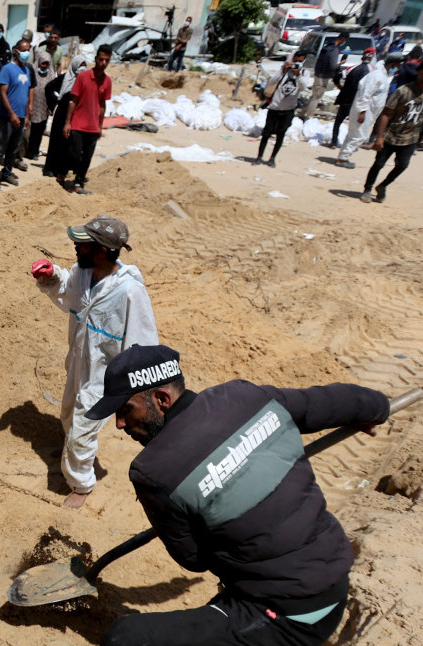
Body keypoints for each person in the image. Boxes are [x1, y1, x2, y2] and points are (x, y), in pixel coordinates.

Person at [93, 345, 391, 646]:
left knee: (124, 638)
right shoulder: (244, 396)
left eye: (125, 409)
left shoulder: (152, 471)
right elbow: (332, 402)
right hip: (335, 585)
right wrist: (377, 409)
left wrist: (187, 515)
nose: (119, 423)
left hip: (282, 617)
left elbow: (195, 559)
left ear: (161, 399)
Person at [30, 216, 158, 508]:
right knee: (67, 414)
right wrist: (51, 276)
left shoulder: (129, 292)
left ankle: (81, 484)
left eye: (83, 244)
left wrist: (133, 391)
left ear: (101, 251)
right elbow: (67, 291)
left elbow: (143, 344)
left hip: (105, 377)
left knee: (82, 427)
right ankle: (73, 454)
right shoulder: (83, 272)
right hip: (78, 364)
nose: (76, 246)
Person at [360, 67, 423, 203]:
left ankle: (383, 186)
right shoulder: (403, 91)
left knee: (402, 165)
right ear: (419, 72)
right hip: (391, 135)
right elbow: (385, 114)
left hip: (411, 137)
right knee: (378, 164)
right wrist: (379, 137)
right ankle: (367, 189)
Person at [61, 44, 111, 194]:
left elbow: (102, 105)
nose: (103, 63)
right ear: (96, 59)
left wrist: (100, 126)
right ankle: (62, 174)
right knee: (74, 153)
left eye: (106, 60)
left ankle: (78, 182)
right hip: (78, 123)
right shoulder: (83, 76)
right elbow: (73, 100)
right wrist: (67, 122)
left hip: (93, 126)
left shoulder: (107, 81)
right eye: (101, 59)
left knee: (87, 157)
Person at [337, 52, 400, 169]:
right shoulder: (376, 76)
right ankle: (342, 159)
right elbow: (365, 94)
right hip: (364, 111)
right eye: (398, 64)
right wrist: (363, 111)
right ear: (392, 63)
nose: (398, 67)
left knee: (354, 134)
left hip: (369, 111)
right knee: (360, 135)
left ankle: (343, 156)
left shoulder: (383, 75)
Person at [0, 39, 32, 190]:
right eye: (24, 50)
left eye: (29, 49)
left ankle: (7, 173)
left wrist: (26, 116)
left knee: (14, 148)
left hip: (20, 116)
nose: (27, 53)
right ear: (16, 51)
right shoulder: (7, 69)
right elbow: (3, 93)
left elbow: (26, 94)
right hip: (7, 116)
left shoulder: (26, 70)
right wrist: (11, 113)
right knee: (1, 146)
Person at [254, 50, 309, 168]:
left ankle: (272, 158)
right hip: (275, 107)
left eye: (300, 61)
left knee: (281, 134)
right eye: (295, 61)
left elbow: (303, 86)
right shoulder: (284, 70)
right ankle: (259, 157)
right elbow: (272, 82)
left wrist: (297, 74)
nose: (297, 63)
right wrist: (283, 71)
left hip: (288, 110)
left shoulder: (304, 73)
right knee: (266, 134)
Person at [331, 48, 374, 148]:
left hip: (346, 99)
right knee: (356, 125)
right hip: (359, 102)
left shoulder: (351, 68)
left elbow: (336, 77)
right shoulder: (372, 70)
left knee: (338, 121)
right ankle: (351, 145)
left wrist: (340, 88)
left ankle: (333, 142)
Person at [302, 31, 347, 119]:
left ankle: (304, 113)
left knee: (313, 95)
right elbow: (333, 66)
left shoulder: (328, 46)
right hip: (323, 76)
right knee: (317, 97)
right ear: (344, 39)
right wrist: (340, 64)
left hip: (318, 73)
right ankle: (308, 116)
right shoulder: (334, 50)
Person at [25, 50, 53, 160]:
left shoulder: (50, 74)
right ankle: (26, 150)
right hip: (31, 105)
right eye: (43, 63)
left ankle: (34, 151)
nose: (44, 66)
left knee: (39, 131)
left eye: (47, 64)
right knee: (29, 131)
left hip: (43, 108)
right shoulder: (31, 71)